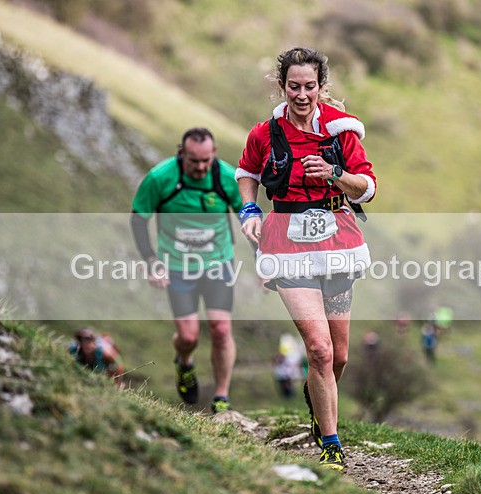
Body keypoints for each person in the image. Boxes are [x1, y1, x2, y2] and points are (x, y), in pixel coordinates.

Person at [235, 47, 378, 471]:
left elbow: (367, 187)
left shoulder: (341, 133)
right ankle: (331, 443)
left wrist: (333, 174)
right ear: (281, 87)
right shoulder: (264, 133)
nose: (302, 95)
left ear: (322, 87)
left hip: (337, 242)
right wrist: (249, 210)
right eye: (293, 87)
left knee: (339, 357)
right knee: (317, 350)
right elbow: (247, 173)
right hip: (287, 243)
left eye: (310, 87)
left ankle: (318, 400)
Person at [131, 127, 243, 414]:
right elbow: (139, 219)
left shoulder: (227, 178)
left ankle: (221, 397)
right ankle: (184, 363)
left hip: (218, 263)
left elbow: (250, 218)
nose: (201, 167)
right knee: (189, 336)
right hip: (177, 267)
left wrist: (265, 261)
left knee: (220, 329)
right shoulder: (160, 178)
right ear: (182, 153)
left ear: (214, 154)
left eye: (207, 160)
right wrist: (151, 261)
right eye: (194, 161)